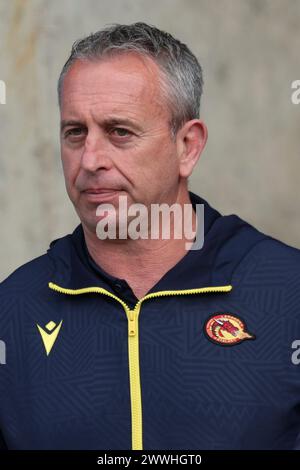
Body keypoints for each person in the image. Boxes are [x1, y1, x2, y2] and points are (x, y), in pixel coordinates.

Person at [0, 22, 300, 451]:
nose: (90, 160)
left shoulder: (287, 294)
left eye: (119, 131)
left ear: (187, 147)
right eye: (75, 132)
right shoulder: (12, 311)